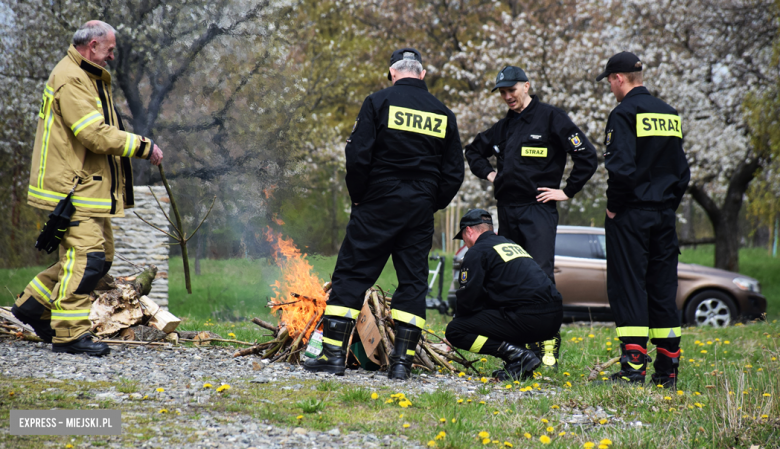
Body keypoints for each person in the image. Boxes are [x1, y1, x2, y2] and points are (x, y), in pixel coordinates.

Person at [303, 48, 464, 379]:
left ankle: (333, 357)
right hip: (419, 209)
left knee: (353, 274)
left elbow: (358, 154)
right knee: (414, 283)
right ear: (421, 73)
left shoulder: (378, 102)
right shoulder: (444, 113)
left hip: (376, 203)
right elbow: (454, 173)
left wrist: (360, 196)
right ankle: (401, 365)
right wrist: (430, 202)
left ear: (392, 73)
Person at [11, 21, 164, 356]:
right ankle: (68, 335)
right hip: (74, 189)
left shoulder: (86, 74)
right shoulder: (71, 78)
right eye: (109, 49)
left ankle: (32, 305)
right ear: (92, 46)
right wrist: (141, 146)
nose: (112, 56)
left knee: (100, 258)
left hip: (86, 188)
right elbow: (93, 134)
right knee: (87, 259)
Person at [464, 66, 598, 369]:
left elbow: (587, 155)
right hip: (507, 210)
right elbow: (473, 151)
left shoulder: (552, 118)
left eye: (512, 89)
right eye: (502, 92)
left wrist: (567, 191)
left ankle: (548, 341)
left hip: (538, 210)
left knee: (540, 275)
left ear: (527, 86)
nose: (507, 96)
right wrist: (491, 174)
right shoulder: (504, 127)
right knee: (509, 276)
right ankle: (521, 346)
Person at [596, 51, 690, 387]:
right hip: (664, 215)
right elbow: (682, 173)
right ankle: (667, 372)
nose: (610, 88)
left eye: (609, 81)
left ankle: (632, 370)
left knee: (629, 285)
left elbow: (620, 169)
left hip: (631, 214)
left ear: (618, 78)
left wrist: (613, 206)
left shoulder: (623, 113)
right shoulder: (669, 114)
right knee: (663, 287)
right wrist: (667, 205)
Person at [445, 209, 563, 380]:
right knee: (503, 313)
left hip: (529, 319)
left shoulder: (478, 251)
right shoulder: (509, 245)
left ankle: (519, 356)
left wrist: (459, 322)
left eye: (462, 236)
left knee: (456, 331)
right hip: (553, 320)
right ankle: (520, 367)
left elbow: (468, 297)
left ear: (469, 230)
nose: (464, 241)